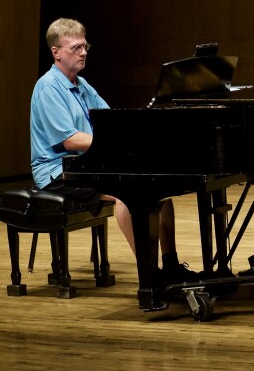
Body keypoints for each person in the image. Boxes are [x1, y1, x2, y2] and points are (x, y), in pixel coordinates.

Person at [30, 18, 197, 284]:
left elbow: (111, 123)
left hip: (88, 165)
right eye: (76, 47)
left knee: (160, 186)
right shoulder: (48, 87)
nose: (84, 52)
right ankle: (150, 274)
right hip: (59, 173)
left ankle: (171, 265)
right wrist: (116, 143)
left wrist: (137, 134)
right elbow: (71, 141)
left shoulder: (83, 86)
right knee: (127, 195)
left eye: (85, 46)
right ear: (56, 52)